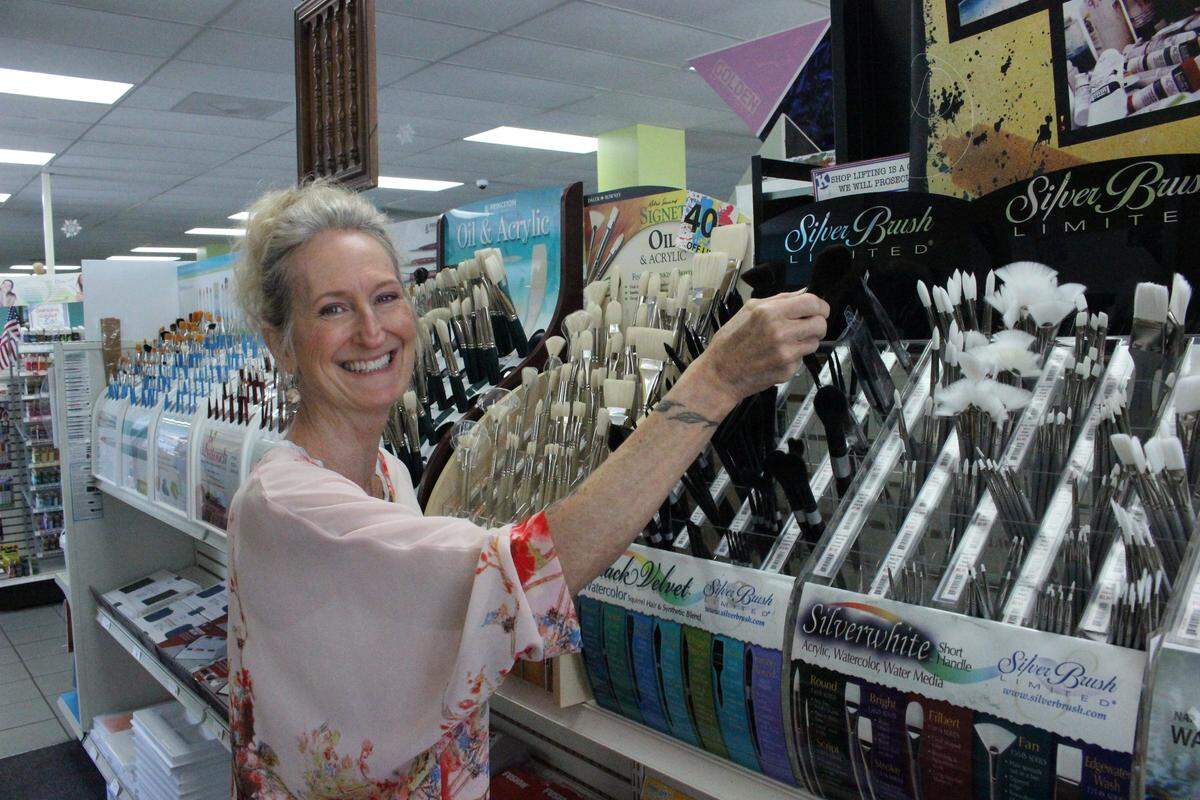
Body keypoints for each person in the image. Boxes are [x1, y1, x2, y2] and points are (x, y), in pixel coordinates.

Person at [229, 181, 828, 799]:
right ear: (280, 342)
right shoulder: (289, 506)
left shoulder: (389, 475)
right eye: (332, 308)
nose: (372, 330)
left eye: (385, 297)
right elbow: (525, 570)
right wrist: (715, 380)